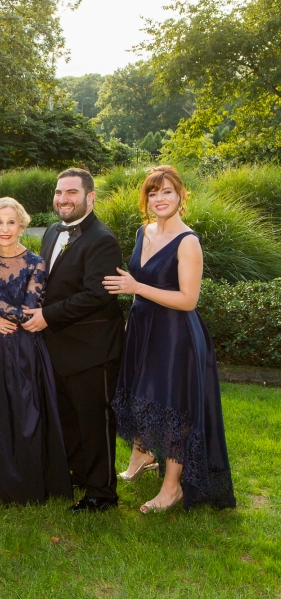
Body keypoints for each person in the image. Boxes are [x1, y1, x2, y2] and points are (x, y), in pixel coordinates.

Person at [103, 165, 236, 512]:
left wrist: (136, 287)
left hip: (176, 335)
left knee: (173, 407)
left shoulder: (188, 241)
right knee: (139, 394)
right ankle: (141, 456)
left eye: (167, 192)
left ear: (180, 196)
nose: (159, 199)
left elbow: (188, 299)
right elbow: (138, 286)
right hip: (143, 327)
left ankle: (172, 487)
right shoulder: (143, 231)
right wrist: (132, 317)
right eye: (153, 193)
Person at [0, 197, 72, 508]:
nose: (5, 228)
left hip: (24, 351)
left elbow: (28, 314)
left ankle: (25, 483)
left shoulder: (36, 263)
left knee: (25, 413)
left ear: (22, 226)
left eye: (11, 222)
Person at [23, 168, 125, 513]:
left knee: (94, 421)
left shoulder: (102, 239)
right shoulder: (53, 231)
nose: (63, 199)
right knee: (68, 416)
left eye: (71, 193)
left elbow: (97, 295)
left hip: (93, 348)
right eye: (59, 192)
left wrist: (47, 316)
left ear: (90, 197)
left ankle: (102, 492)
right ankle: (80, 475)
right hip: (58, 346)